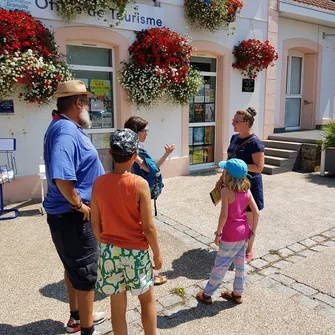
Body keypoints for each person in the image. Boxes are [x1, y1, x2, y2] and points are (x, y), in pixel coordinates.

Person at [43, 80, 106, 335]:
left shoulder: (64, 126)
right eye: (86, 102)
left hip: (66, 215)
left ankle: (78, 316)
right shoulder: (66, 130)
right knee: (87, 274)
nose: (89, 107)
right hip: (73, 217)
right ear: (77, 103)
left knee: (74, 269)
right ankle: (85, 328)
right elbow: (62, 175)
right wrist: (80, 205)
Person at [90, 128, 162, 335]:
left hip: (109, 251)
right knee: (147, 300)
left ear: (110, 154)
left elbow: (95, 223)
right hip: (136, 252)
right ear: (134, 155)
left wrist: (105, 245)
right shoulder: (139, 184)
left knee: (117, 304)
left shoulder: (99, 183)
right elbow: (148, 227)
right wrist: (157, 254)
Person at [197, 159, 259, 305]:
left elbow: (224, 215)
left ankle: (207, 294)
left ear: (228, 174)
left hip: (230, 234)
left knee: (221, 265)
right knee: (240, 264)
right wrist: (252, 232)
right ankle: (237, 294)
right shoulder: (246, 190)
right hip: (244, 233)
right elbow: (256, 212)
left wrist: (218, 234)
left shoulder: (226, 192)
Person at [124, 116, 174, 286]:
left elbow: (153, 169)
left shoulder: (137, 150)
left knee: (136, 236)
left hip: (135, 197)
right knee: (143, 235)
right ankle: (147, 275)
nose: (146, 133)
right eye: (144, 130)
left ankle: (132, 271)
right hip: (136, 199)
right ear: (134, 133)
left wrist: (166, 155)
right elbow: (147, 169)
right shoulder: (132, 152)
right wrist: (139, 159)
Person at [216, 107, 264, 262]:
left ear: (247, 123)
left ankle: (248, 250)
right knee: (234, 218)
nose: (233, 124)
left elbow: (259, 167)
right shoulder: (234, 138)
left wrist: (239, 165)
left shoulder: (255, 143)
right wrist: (221, 179)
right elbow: (229, 163)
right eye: (233, 120)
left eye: (236, 121)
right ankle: (236, 247)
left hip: (249, 185)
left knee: (249, 219)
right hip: (231, 184)